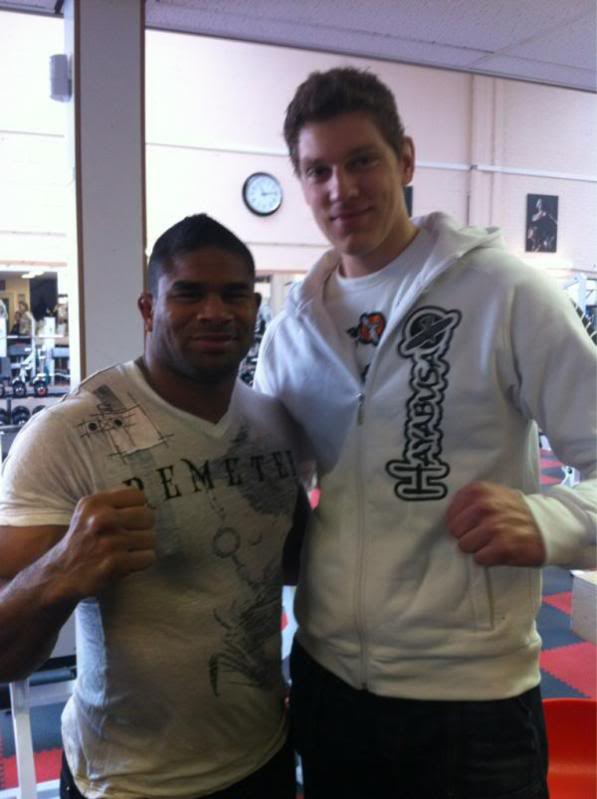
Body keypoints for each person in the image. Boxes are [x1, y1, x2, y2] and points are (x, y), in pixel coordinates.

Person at [254, 67, 597, 799]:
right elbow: (268, 496)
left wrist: (550, 519)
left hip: (470, 697)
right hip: (328, 680)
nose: (341, 188)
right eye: (318, 170)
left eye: (362, 160)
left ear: (405, 159)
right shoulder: (293, 330)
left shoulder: (505, 293)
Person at [0, 214, 307, 799]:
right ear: (148, 308)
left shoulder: (272, 424)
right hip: (128, 781)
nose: (214, 312)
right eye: (188, 293)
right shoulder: (67, 434)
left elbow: (290, 563)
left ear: (254, 308)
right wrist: (62, 570)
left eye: (234, 294)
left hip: (262, 756)